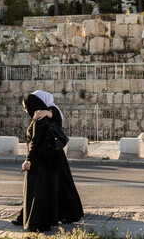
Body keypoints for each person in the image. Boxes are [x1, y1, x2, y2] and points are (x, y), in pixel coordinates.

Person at [30, 90, 84, 224]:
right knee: (55, 186)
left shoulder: (51, 108)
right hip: (51, 153)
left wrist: (47, 113)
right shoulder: (42, 111)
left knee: (62, 184)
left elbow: (56, 117)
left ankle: (72, 213)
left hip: (55, 153)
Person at [12, 93, 60, 232]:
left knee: (34, 192)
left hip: (38, 162)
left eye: (25, 107)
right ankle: (40, 221)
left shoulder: (39, 119)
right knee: (42, 192)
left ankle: (36, 222)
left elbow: (35, 141)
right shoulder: (44, 117)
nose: (25, 110)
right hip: (46, 161)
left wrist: (28, 160)